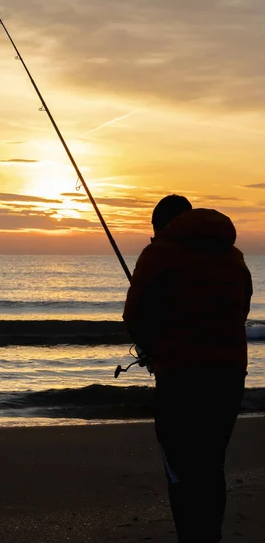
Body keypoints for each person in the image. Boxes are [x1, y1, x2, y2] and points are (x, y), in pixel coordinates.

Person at [123, 195, 252, 543]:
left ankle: (191, 536)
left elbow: (134, 317)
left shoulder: (159, 254)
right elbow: (240, 311)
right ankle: (209, 535)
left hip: (181, 377)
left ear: (161, 226)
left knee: (180, 467)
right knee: (211, 464)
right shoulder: (234, 258)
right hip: (228, 377)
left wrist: (152, 348)